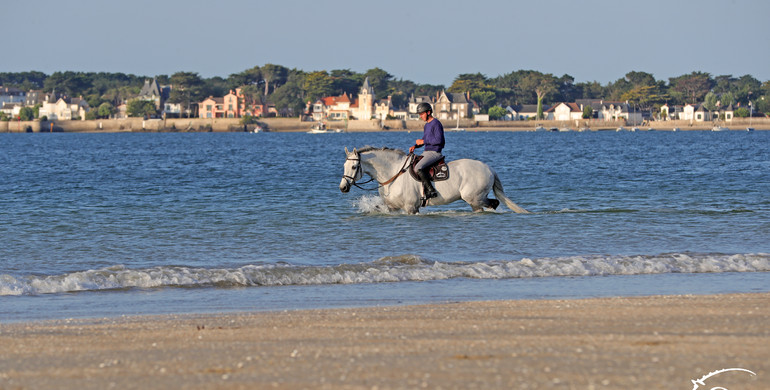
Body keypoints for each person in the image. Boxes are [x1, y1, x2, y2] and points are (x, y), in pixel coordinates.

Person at [409, 102, 444, 199]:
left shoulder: (436, 123)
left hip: (435, 153)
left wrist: (423, 141)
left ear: (428, 112)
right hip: (426, 152)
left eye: (421, 114)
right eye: (419, 114)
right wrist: (415, 146)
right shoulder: (426, 125)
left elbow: (439, 140)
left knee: (418, 168)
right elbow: (425, 142)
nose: (420, 116)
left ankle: (431, 191)